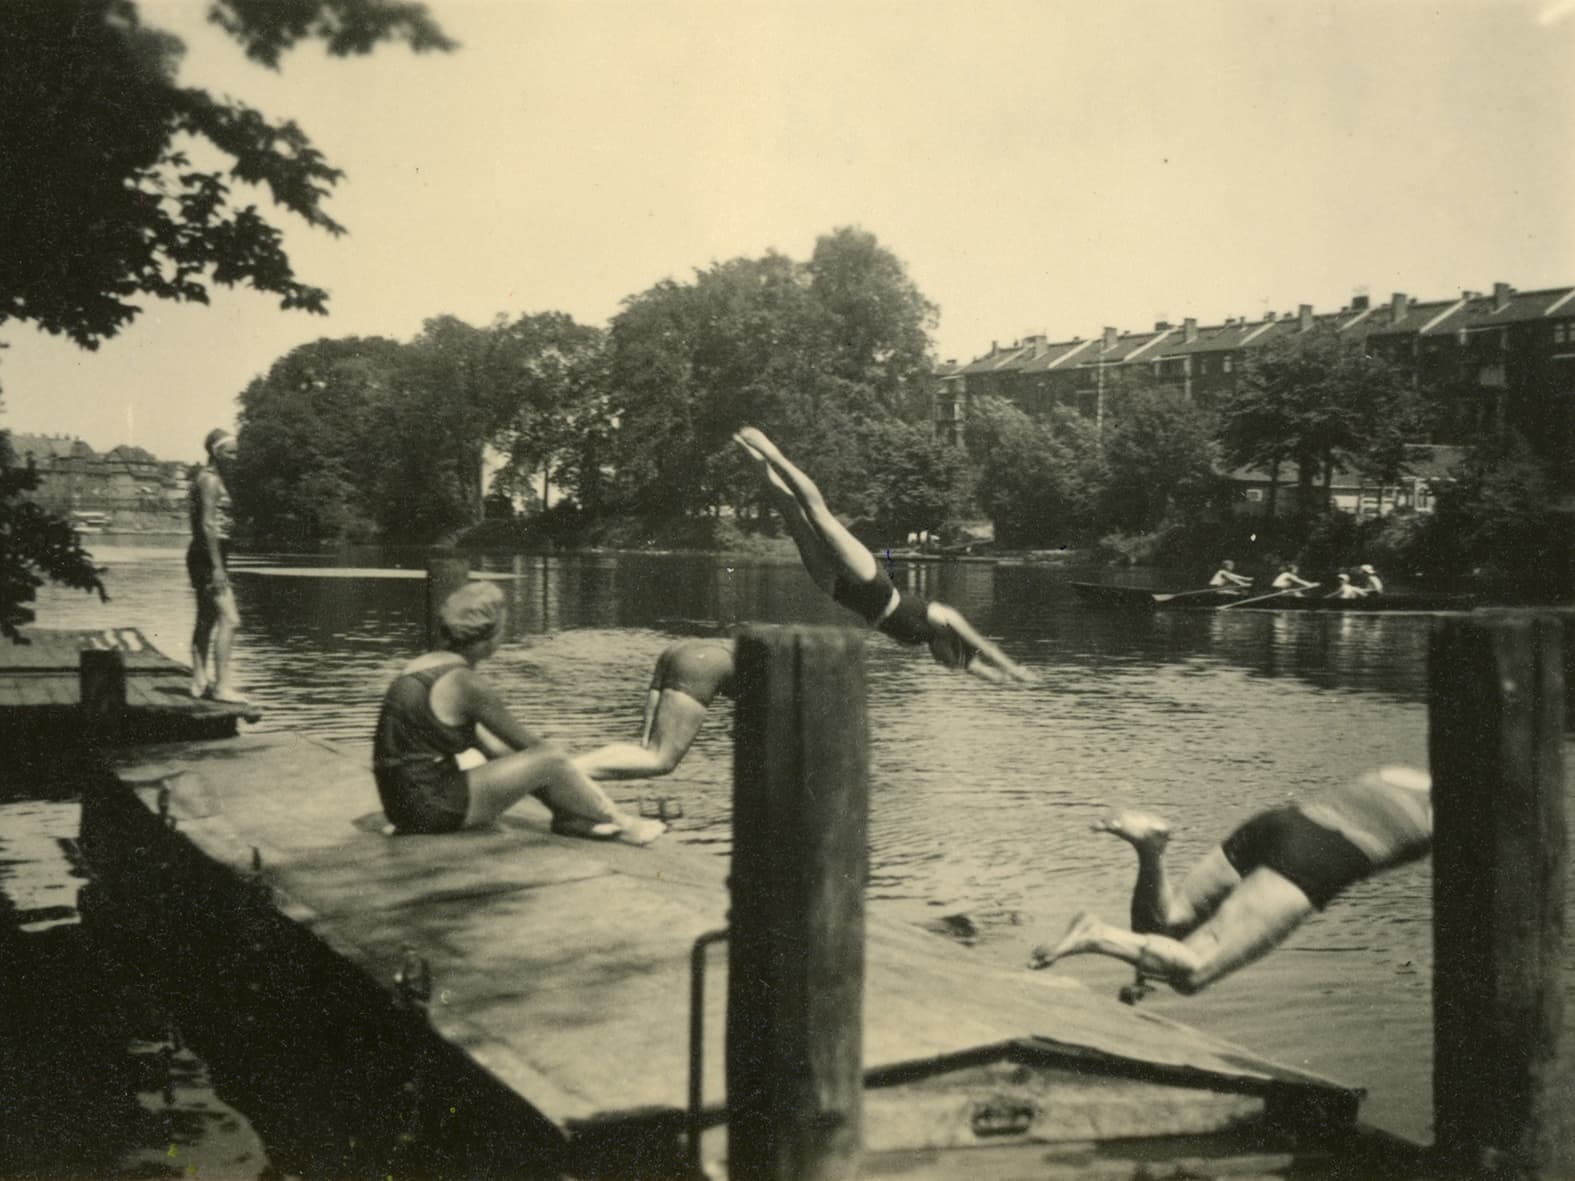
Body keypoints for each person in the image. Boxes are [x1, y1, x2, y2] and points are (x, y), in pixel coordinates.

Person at [1028, 765, 1432, 995]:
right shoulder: (1470, 808)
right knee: (1194, 971)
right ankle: (1094, 935)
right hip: (1320, 855)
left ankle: (1150, 849)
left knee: (1165, 924)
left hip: (1281, 822)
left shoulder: (1404, 771)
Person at [733, 427, 1034, 684]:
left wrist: (1000, 679)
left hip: (841, 592)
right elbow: (982, 645)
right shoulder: (941, 617)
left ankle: (751, 457)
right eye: (947, 658)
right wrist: (1015, 670)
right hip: (871, 583)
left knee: (793, 516)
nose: (943, 661)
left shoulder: (934, 645)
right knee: (816, 513)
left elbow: (970, 665)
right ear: (949, 644)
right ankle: (771, 452)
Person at [372, 582, 665, 845]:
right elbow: (536, 750)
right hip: (429, 808)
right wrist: (582, 787)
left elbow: (498, 751)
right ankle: (621, 824)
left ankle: (570, 818)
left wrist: (563, 790)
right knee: (549, 757)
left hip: (400, 806)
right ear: (490, 636)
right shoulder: (466, 683)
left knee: (532, 761)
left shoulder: (422, 667)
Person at [575, 637, 736, 780]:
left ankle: (569, 766)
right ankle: (564, 774)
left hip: (681, 651)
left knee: (646, 752)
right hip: (704, 664)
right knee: (661, 761)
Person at [187, 428, 246, 703]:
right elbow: (208, 524)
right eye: (230, 452)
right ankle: (222, 686)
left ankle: (199, 676)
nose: (236, 457)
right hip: (209, 557)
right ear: (215, 452)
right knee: (231, 620)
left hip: (207, 555)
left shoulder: (209, 478)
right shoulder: (210, 481)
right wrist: (217, 567)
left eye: (237, 452)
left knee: (207, 618)